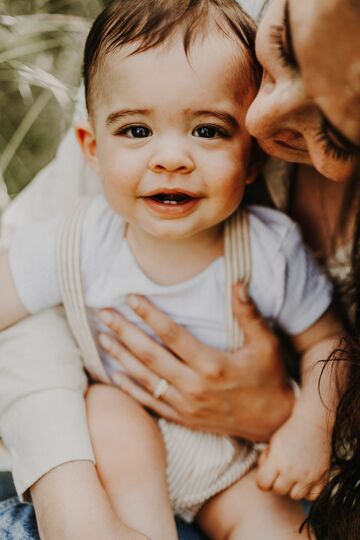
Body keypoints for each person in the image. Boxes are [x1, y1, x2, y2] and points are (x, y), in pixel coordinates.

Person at [0, 0, 359, 538]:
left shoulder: (267, 248)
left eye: (209, 131)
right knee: (109, 412)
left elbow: (327, 342)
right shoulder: (77, 239)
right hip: (124, 449)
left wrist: (309, 422)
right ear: (91, 149)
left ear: (253, 160)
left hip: (237, 465)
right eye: (137, 132)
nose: (171, 158)